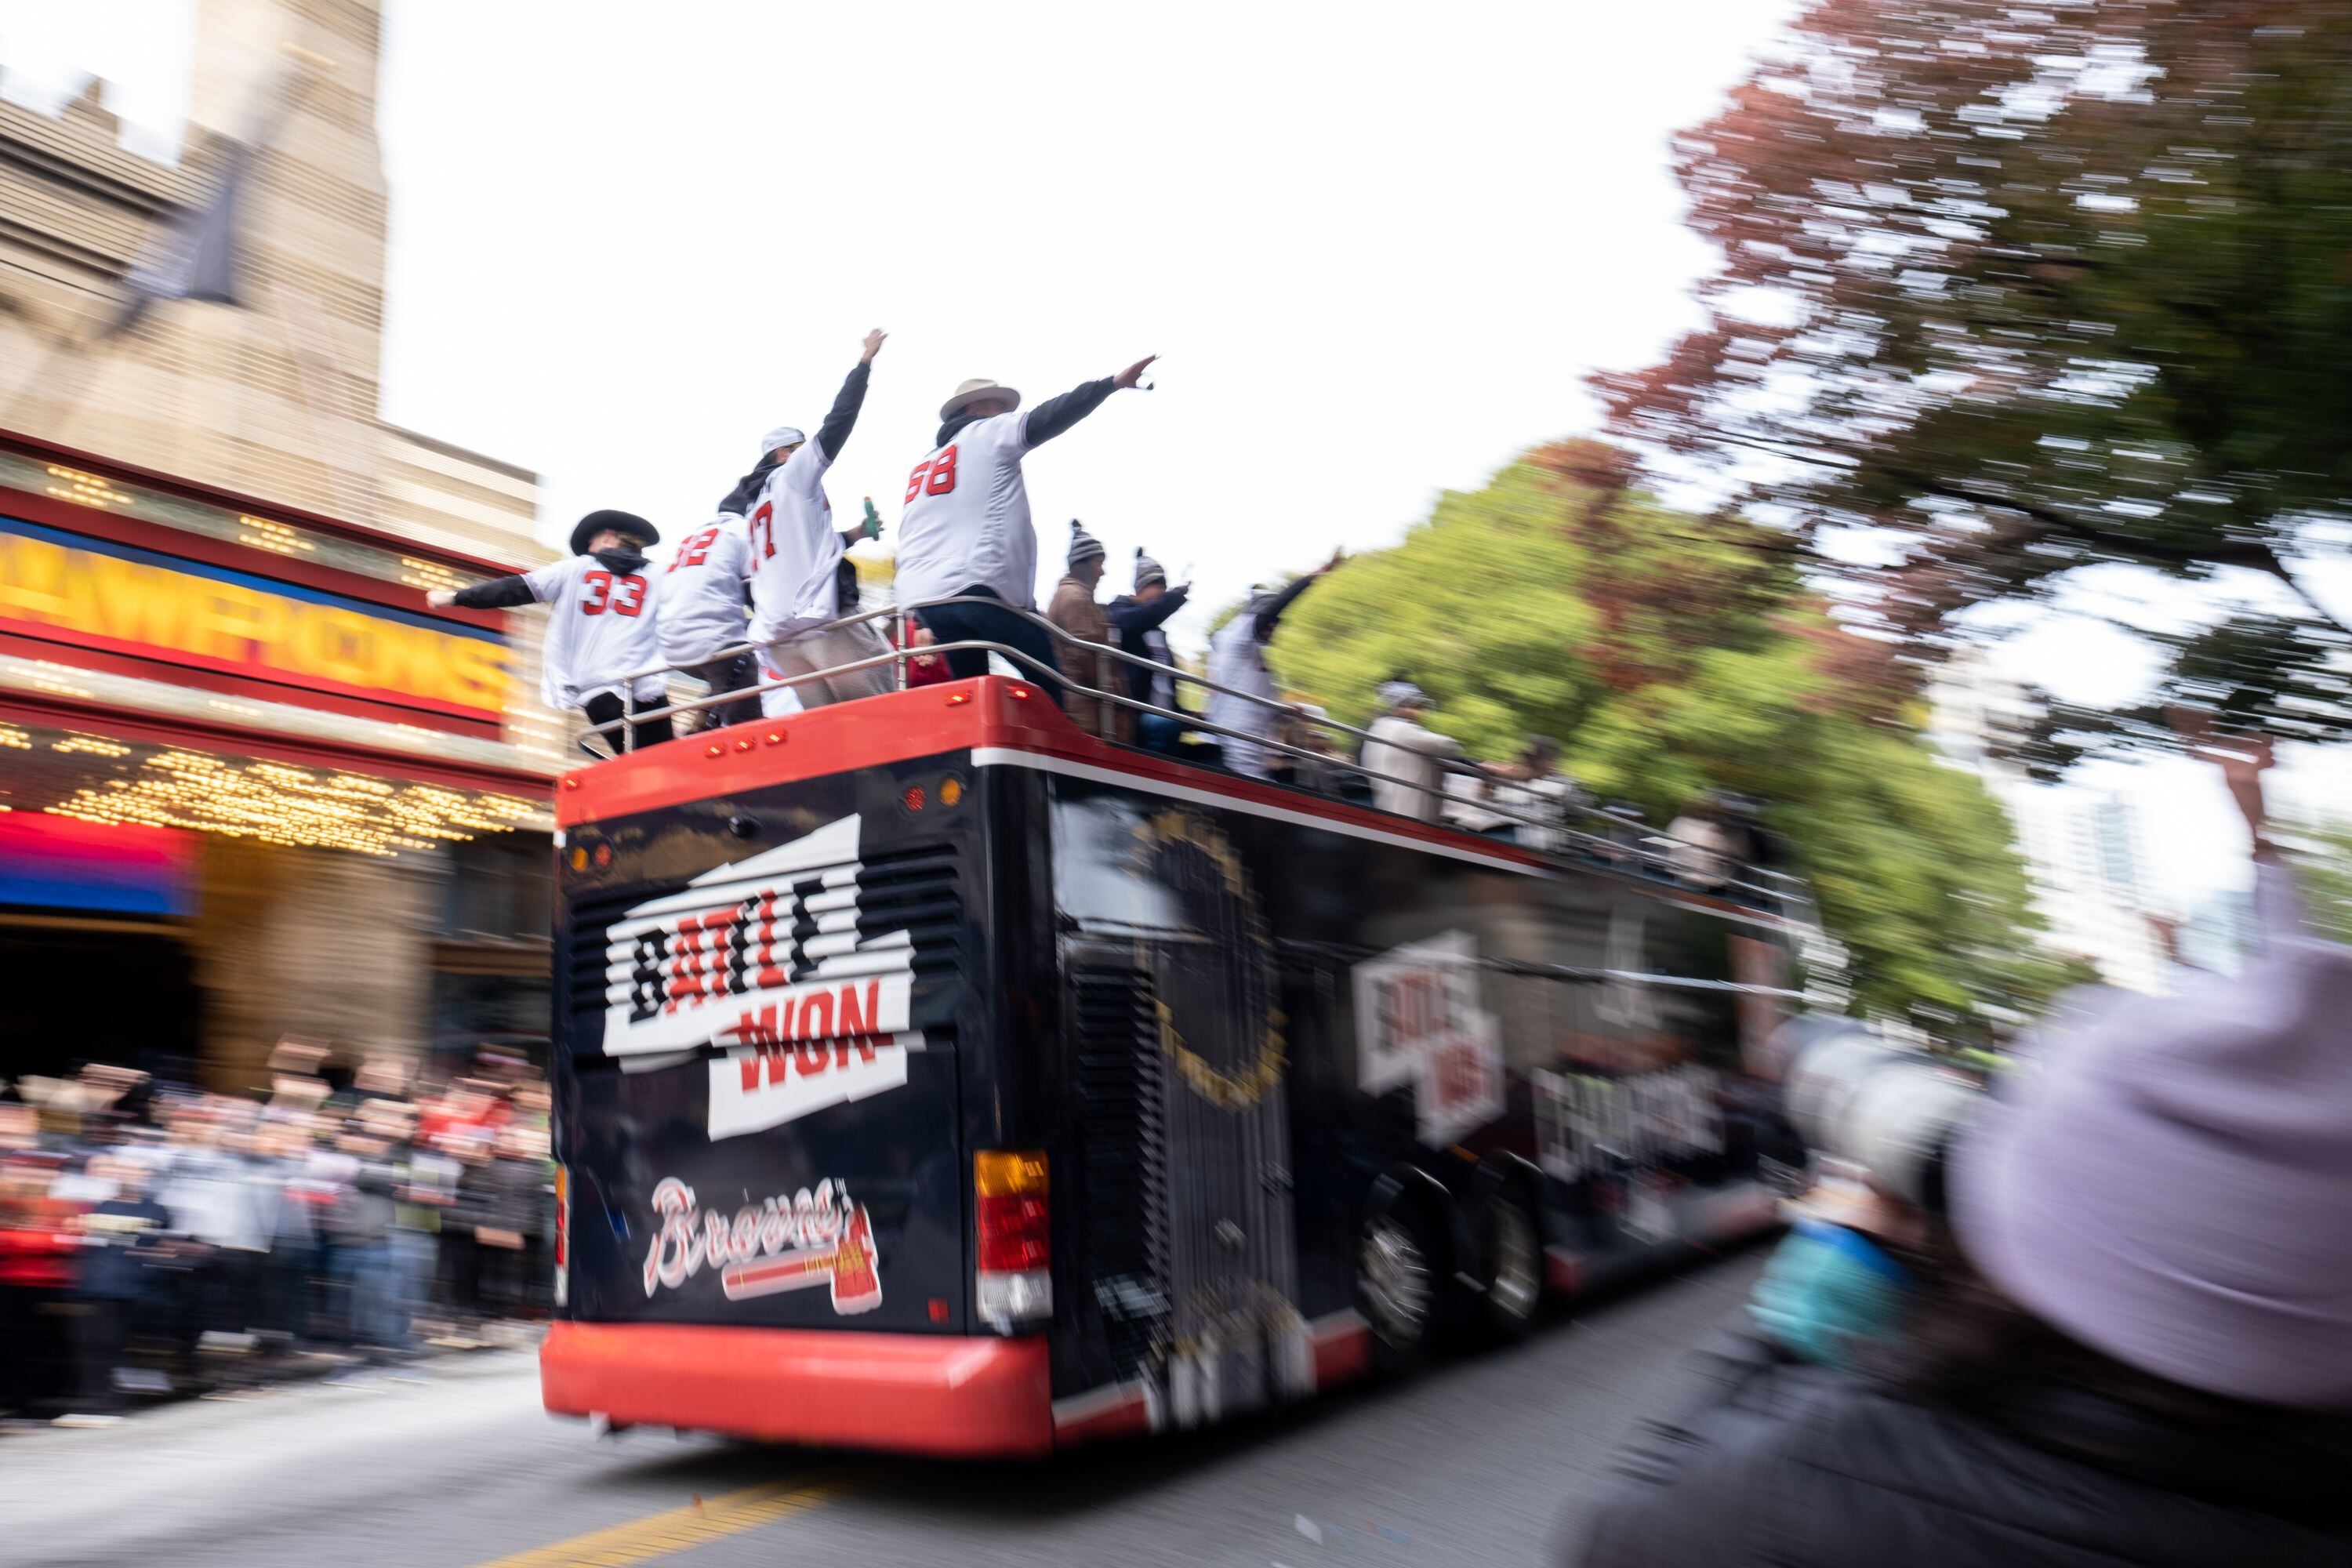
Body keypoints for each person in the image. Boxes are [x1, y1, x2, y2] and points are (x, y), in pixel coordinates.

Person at [1571, 732, 2352, 1568]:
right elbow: (2302, 1048)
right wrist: (2265, 849)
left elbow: (1624, 1531)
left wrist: (1815, 1303)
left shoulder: (1825, 1483)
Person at [895, 354, 1158, 706]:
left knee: (973, 696)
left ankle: (981, 759)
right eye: (998, 405)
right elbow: (1047, 417)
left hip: (925, 599)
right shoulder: (986, 433)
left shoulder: (924, 465)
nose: (1005, 413)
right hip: (975, 589)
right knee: (1051, 683)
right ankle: (1046, 758)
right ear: (975, 409)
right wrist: (1108, 385)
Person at [730, 330, 896, 714]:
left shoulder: (755, 505)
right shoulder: (793, 474)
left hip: (782, 638)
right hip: (826, 625)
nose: (808, 452)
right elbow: (839, 421)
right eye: (799, 447)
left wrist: (854, 535)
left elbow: (790, 552)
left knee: (831, 731)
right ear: (785, 453)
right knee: (880, 718)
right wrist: (864, 364)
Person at [426, 510, 672, 757]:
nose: (588, 549)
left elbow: (515, 589)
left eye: (590, 542)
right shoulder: (661, 576)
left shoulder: (575, 568)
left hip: (599, 692)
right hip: (647, 690)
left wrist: (454, 598)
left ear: (608, 536)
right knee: (669, 766)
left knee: (645, 768)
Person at [1204, 550, 1344, 778]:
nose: (1274, 628)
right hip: (1234, 744)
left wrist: (1288, 709)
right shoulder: (1237, 638)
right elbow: (1273, 608)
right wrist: (1315, 576)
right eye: (1271, 622)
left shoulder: (1257, 655)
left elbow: (1264, 700)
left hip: (1255, 749)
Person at [653, 509, 757, 731]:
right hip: (711, 639)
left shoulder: (697, 534)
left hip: (670, 641)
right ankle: (720, 731)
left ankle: (701, 723)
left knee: (728, 677)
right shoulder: (746, 530)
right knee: (748, 672)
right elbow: (755, 593)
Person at [1045, 521, 1128, 741]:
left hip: (1088, 710)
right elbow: (1083, 653)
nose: (1103, 571)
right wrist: (1113, 694)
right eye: (1099, 563)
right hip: (1090, 715)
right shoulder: (1076, 598)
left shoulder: (1072, 596)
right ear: (1084, 564)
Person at [1107, 546, 1191, 753]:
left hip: (1167, 715)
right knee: (1164, 725)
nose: (1162, 592)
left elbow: (1164, 684)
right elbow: (1139, 619)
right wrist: (1175, 596)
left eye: (1164, 586)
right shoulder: (1119, 612)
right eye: (1156, 585)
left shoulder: (1159, 633)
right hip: (1136, 714)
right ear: (1140, 588)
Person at [1359, 681, 1459, 822]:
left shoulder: (1379, 728)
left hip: (1390, 807)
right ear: (1397, 707)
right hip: (1409, 813)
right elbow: (1448, 746)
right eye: (1412, 706)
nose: (1417, 712)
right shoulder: (1402, 730)